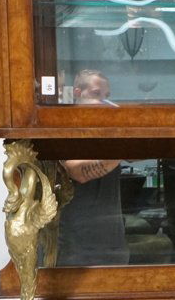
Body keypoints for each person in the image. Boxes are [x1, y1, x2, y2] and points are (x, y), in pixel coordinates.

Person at [54, 70, 129, 265]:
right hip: (78, 243)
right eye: (96, 94)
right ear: (78, 93)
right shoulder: (64, 128)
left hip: (113, 240)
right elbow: (78, 172)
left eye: (106, 96)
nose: (103, 101)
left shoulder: (107, 130)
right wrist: (123, 149)